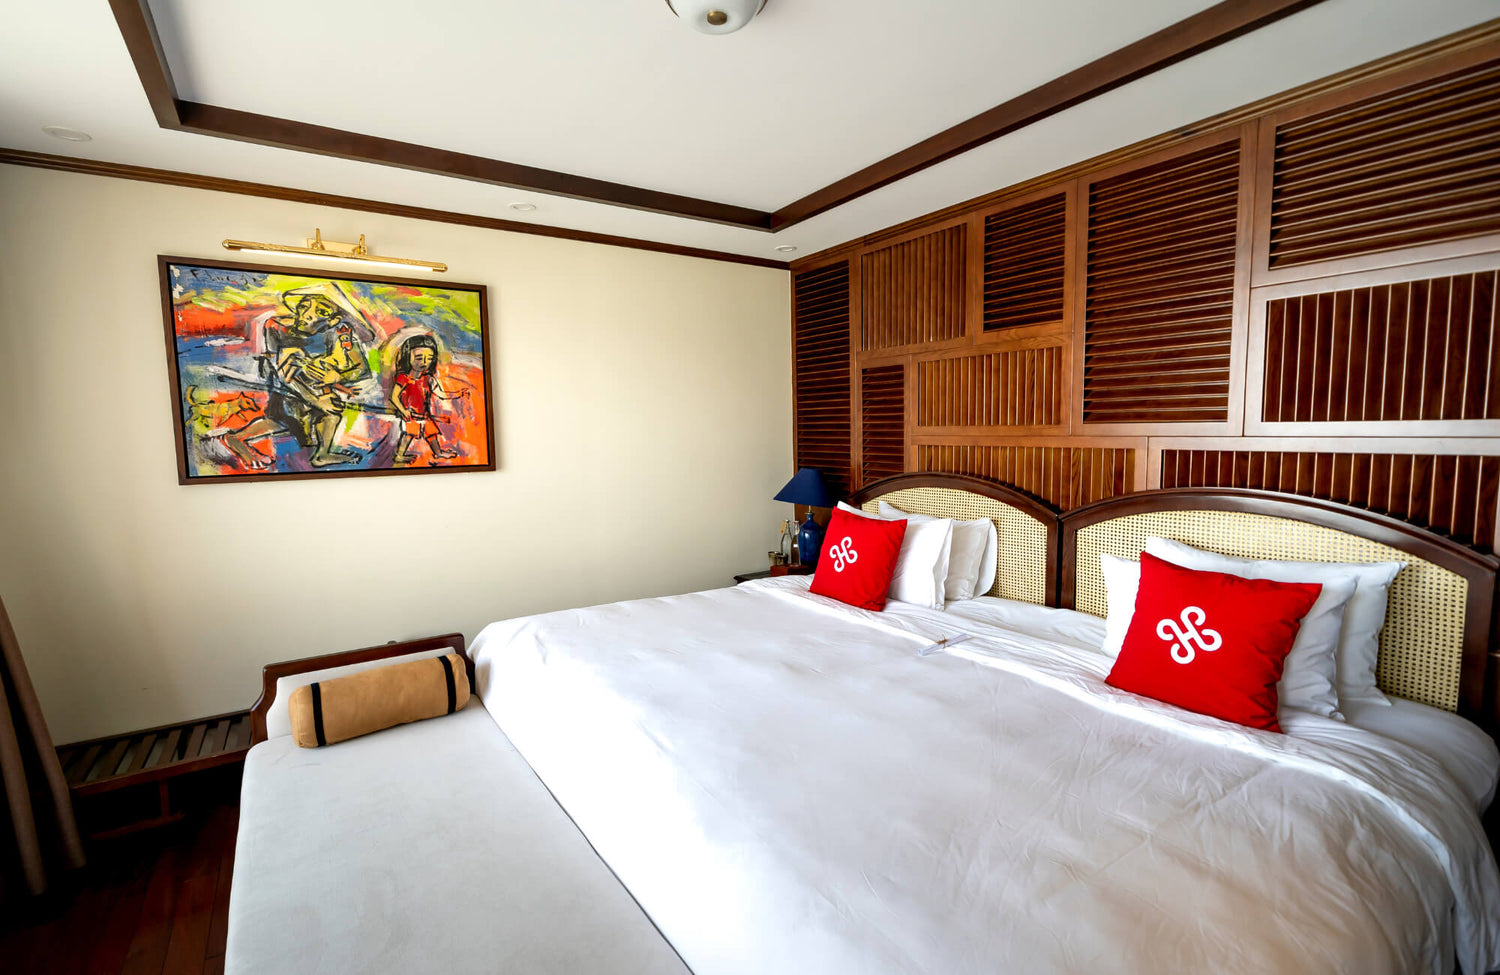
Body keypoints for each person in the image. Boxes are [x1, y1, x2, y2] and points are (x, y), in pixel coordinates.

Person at [388, 334, 467, 464]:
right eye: (419, 357)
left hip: (424, 414)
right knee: (409, 435)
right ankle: (400, 455)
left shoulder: (427, 378)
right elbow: (393, 397)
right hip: (411, 415)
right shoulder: (403, 378)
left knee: (431, 433)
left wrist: (458, 393)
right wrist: (403, 411)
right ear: (408, 357)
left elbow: (440, 393)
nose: (424, 362)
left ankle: (438, 452)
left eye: (429, 358)